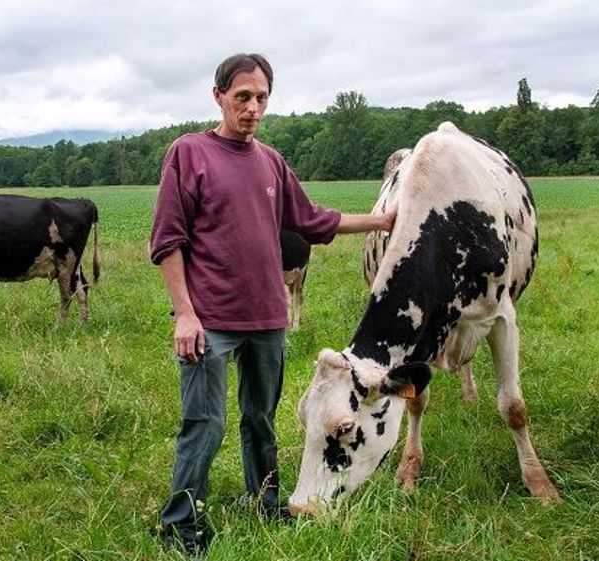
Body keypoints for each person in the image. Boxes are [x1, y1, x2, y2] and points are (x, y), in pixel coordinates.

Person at [149, 53, 396, 555]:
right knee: (205, 423)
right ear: (218, 96)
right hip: (210, 320)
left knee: (259, 418)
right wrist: (184, 313)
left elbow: (312, 220)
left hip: (266, 318)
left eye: (262, 98)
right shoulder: (189, 153)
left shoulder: (270, 161)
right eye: (243, 96)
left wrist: (382, 222)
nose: (253, 107)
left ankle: (263, 502)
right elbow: (167, 240)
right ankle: (181, 525)